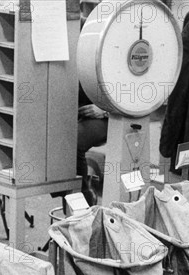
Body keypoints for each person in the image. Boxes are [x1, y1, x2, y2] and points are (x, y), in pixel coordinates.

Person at [76, 0, 108, 205]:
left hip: (107, 114)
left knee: (72, 142)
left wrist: (104, 110)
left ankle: (85, 200)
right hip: (80, 111)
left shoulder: (104, 34)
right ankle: (69, 194)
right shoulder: (73, 29)